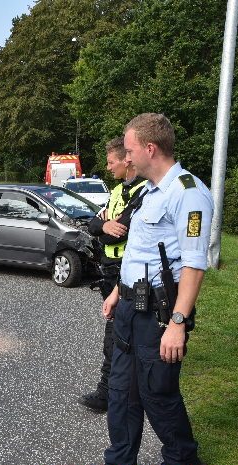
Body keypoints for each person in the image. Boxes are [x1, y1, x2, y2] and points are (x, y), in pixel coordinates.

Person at [89, 113, 213, 465]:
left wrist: (177, 323)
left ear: (150, 148)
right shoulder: (147, 191)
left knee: (156, 392)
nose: (126, 158)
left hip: (158, 315)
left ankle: (182, 462)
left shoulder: (189, 194)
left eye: (129, 151)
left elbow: (193, 264)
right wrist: (116, 292)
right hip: (128, 306)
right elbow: (138, 250)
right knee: (122, 392)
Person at [79, 137, 146, 412]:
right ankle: (112, 393)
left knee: (123, 336)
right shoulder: (117, 191)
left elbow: (122, 230)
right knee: (116, 334)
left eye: (111, 162)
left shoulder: (144, 191)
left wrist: (105, 230)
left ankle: (114, 394)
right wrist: (105, 226)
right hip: (111, 274)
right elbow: (93, 224)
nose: (108, 168)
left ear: (126, 160)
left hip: (130, 274)